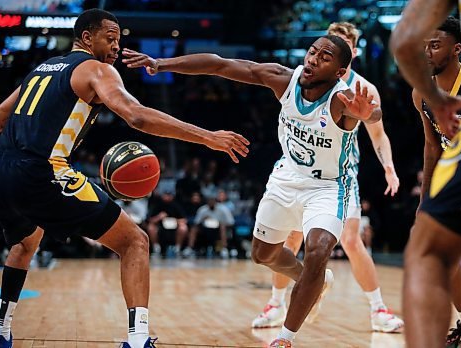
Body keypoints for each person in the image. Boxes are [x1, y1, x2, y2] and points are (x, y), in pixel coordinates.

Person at [0, 8, 249, 348]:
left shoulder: (41, 69)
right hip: (43, 173)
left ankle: (1, 331)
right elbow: (137, 117)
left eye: (119, 40)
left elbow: (1, 115)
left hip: (5, 169)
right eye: (110, 38)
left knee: (24, 244)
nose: (117, 47)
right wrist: (207, 137)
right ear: (87, 38)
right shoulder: (96, 69)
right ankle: (138, 338)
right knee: (135, 242)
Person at [123, 34, 381, 347]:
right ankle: (312, 280)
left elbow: (368, 114)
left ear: (340, 72)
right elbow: (220, 65)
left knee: (318, 250)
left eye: (324, 57)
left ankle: (285, 339)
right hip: (286, 177)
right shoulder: (283, 80)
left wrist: (370, 114)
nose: (313, 59)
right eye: (313, 52)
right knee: (262, 255)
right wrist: (161, 63)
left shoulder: (343, 100)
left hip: (327, 187)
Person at [251, 21, 404, 334]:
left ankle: (378, 310)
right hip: (300, 173)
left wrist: (388, 166)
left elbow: (378, 133)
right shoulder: (304, 79)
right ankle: (276, 303)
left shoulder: (363, 89)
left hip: (340, 176)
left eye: (343, 42)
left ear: (352, 52)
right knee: (290, 239)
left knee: (351, 240)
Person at [390, 1, 461, 347]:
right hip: (458, 167)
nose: (426, 51)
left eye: (433, 44)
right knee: (432, 240)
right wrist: (425, 200)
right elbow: (432, 147)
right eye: (425, 44)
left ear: (456, 49)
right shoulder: (421, 93)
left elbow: (402, 43)